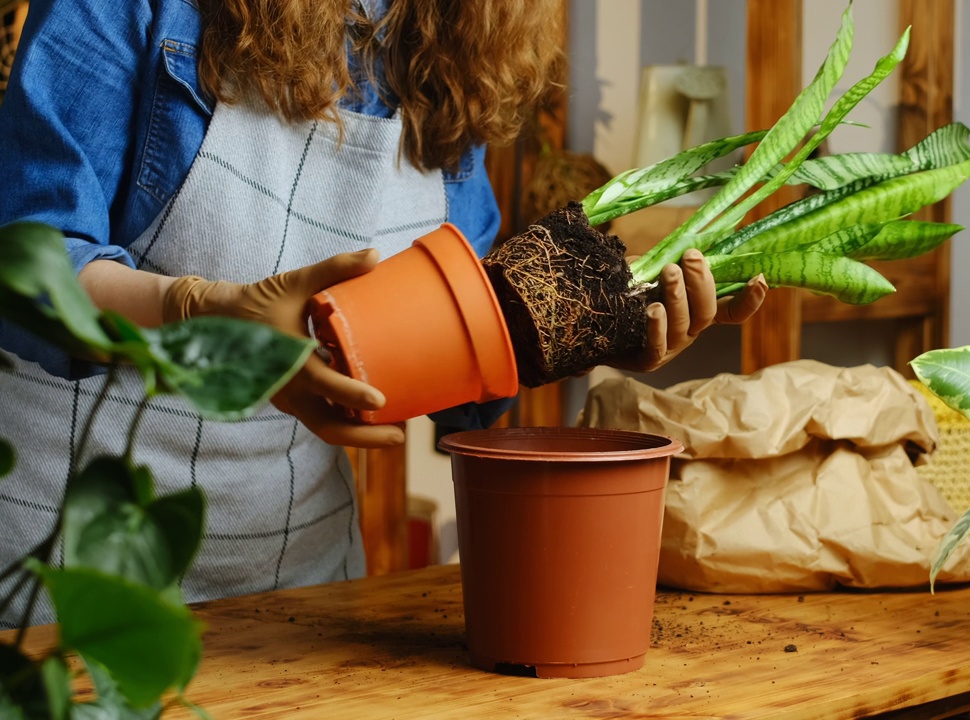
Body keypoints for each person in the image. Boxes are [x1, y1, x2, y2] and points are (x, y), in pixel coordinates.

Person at [0, 0, 768, 627]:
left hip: (297, 592)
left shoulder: (455, 41)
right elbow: (24, 270)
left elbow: (460, 391)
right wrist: (198, 312)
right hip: (63, 569)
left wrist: (585, 332)